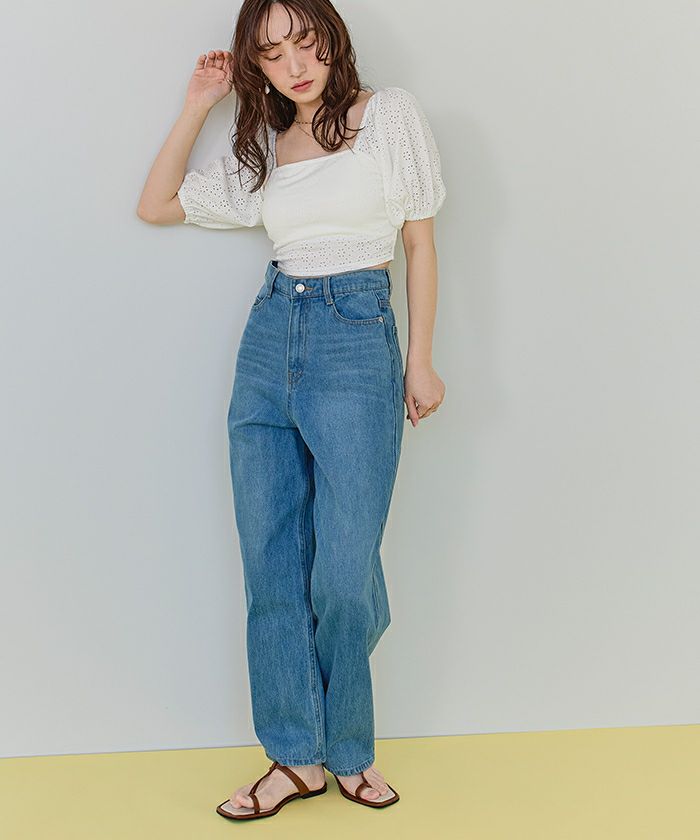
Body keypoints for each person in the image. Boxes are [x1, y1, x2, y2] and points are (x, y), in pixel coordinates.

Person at [137, 0, 446, 821]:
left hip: (357, 337)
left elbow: (419, 242)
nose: (295, 65)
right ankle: (295, 757)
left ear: (331, 40)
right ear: (258, 68)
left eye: (304, 43)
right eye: (272, 54)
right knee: (270, 565)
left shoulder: (388, 116)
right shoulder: (265, 145)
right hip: (269, 341)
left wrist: (419, 360)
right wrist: (198, 104)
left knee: (344, 572)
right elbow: (156, 204)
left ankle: (350, 746)